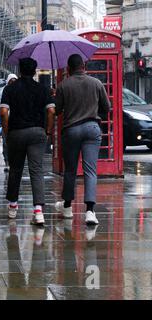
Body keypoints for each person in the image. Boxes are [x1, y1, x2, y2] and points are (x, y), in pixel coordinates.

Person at [54, 54, 111, 225]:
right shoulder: (96, 83)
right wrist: (94, 113)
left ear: (69, 69)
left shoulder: (63, 85)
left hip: (71, 130)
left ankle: (68, 207)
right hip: (92, 128)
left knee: (70, 170)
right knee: (90, 171)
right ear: (84, 66)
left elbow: (56, 110)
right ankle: (90, 212)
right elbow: (107, 107)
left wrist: (55, 95)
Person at [0, 58, 55, 225]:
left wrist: (6, 131)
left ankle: (12, 207)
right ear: (34, 71)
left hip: (16, 132)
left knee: (16, 169)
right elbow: (51, 111)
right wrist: (48, 131)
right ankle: (38, 212)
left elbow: (3, 112)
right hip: (37, 132)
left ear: (20, 70)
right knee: (36, 170)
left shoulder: (10, 89)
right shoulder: (43, 89)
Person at [0, 74, 18, 172]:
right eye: (11, 81)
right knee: (6, 144)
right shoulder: (4, 91)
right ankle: (7, 162)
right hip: (7, 120)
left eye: (15, 81)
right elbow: (2, 109)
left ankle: (14, 162)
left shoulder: (20, 90)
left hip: (17, 121)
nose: (13, 83)